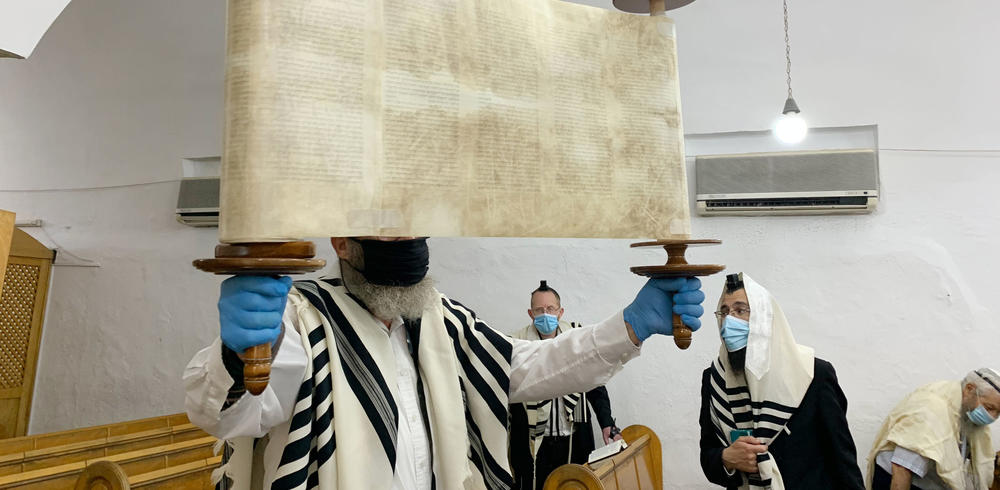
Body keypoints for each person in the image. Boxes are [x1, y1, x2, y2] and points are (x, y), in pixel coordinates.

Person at [184, 236, 705, 490]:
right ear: (343, 241)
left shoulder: (438, 318)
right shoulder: (300, 318)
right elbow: (234, 414)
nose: (408, 244)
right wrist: (244, 349)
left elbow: (525, 368)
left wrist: (629, 327)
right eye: (390, 228)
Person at [698, 273, 865, 490]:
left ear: (764, 318)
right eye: (724, 312)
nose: (729, 321)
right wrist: (727, 458)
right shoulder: (714, 379)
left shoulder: (812, 374)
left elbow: (842, 459)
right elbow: (708, 455)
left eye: (740, 311)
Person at [508, 280, 623, 490]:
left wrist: (607, 423)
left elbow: (595, 385)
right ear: (530, 313)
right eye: (539, 310)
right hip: (534, 444)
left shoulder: (576, 338)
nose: (545, 314)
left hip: (573, 438)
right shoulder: (517, 344)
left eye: (550, 309)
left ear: (560, 312)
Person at [866, 368, 1000, 490]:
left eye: (998, 412)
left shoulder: (966, 408)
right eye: (989, 408)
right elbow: (902, 468)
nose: (992, 417)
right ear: (969, 389)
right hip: (898, 482)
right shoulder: (931, 410)